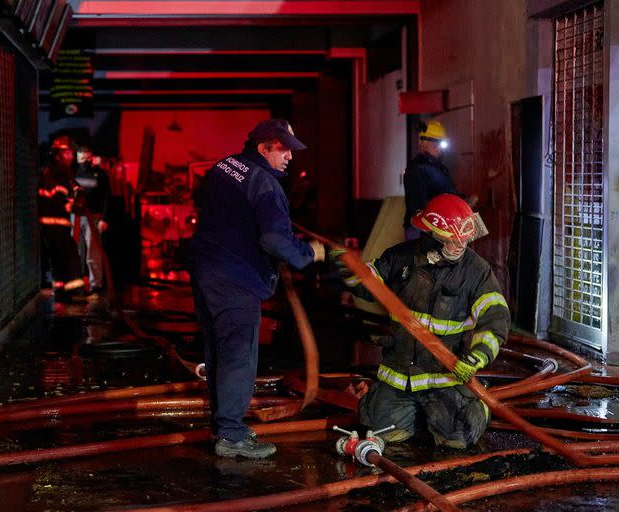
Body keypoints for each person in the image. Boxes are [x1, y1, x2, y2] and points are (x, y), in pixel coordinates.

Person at [188, 118, 326, 459]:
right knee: (238, 355)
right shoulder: (265, 184)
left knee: (219, 352)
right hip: (236, 279)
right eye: (284, 150)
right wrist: (309, 253)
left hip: (206, 271)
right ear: (263, 147)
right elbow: (275, 239)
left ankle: (224, 425)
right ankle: (232, 436)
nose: (291, 158)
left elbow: (210, 207)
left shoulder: (225, 166)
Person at [334, 193, 510, 449]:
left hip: (443, 378)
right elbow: (369, 284)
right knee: (378, 430)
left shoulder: (476, 271)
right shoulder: (400, 258)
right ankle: (415, 417)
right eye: (453, 239)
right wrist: (351, 270)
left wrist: (475, 358)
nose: (461, 245)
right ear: (434, 235)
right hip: (400, 374)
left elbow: (495, 319)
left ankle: (476, 409)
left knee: (459, 438)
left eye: (465, 239)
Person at [403, 120, 474, 240]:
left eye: (441, 143)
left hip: (438, 227)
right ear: (424, 142)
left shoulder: (439, 168)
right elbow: (418, 205)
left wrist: (462, 202)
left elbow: (445, 195)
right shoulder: (417, 170)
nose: (440, 147)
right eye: (437, 143)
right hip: (423, 230)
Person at [38, 136, 85, 302]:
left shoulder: (65, 173)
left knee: (62, 258)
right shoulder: (53, 173)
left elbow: (73, 189)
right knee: (67, 255)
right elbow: (57, 196)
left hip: (59, 224)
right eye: (67, 152)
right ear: (57, 155)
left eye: (72, 152)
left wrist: (78, 195)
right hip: (52, 224)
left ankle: (64, 291)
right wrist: (71, 204)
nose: (71, 156)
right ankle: (72, 292)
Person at [73, 144, 111, 294]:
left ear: (91, 157)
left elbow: (107, 198)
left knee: (93, 252)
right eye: (81, 158)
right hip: (76, 217)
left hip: (93, 217)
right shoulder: (73, 173)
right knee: (76, 251)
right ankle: (76, 282)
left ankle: (96, 284)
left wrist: (104, 218)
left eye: (86, 158)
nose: (84, 161)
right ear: (77, 158)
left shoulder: (100, 175)